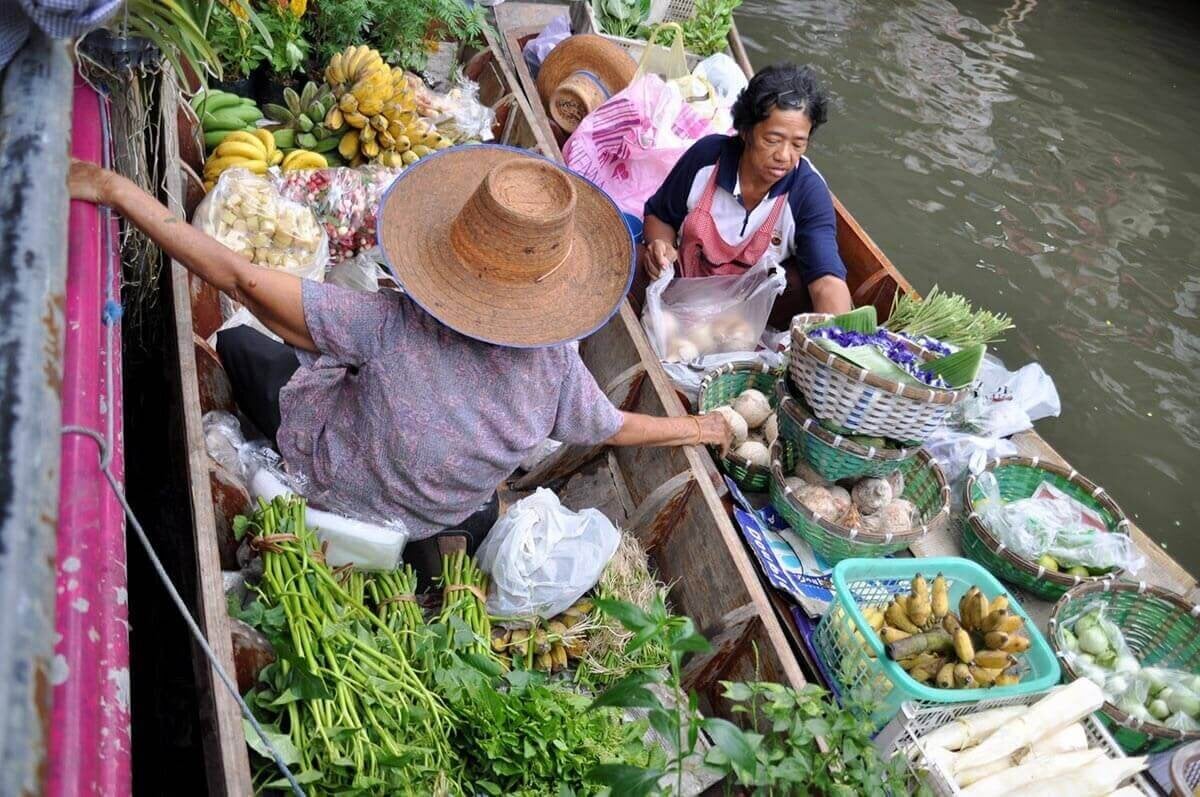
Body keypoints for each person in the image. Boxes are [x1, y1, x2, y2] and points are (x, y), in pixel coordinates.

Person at [67, 145, 731, 585]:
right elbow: (613, 425)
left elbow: (240, 280)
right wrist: (704, 430)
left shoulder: (389, 325)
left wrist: (120, 191)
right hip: (437, 514)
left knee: (242, 343)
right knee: (470, 497)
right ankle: (431, 547)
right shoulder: (557, 368)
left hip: (335, 484)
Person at [639, 63, 853, 327]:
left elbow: (827, 283)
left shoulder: (808, 192)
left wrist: (839, 343)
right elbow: (659, 217)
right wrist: (661, 246)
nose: (784, 156)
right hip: (682, 292)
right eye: (772, 140)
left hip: (744, 319)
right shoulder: (707, 158)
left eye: (798, 144)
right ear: (745, 130)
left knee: (798, 283)